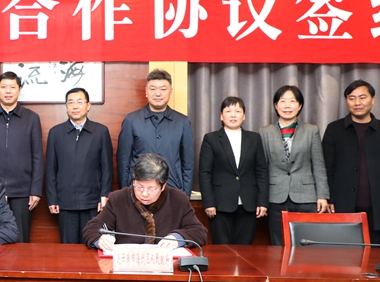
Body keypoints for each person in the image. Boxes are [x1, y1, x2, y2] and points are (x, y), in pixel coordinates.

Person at [322, 80, 380, 244]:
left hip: (377, 204)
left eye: (362, 97)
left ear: (372, 99)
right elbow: (326, 168)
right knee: (343, 254)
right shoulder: (334, 129)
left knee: (373, 253)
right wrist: (329, 197)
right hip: (343, 204)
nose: (357, 103)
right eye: (352, 98)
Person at [0, 71, 43, 242]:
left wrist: (35, 190)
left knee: (20, 239)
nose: (8, 91)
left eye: (12, 87)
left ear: (19, 90)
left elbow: (37, 156)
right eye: (4, 87)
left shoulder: (31, 118)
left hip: (22, 191)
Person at [82, 154, 207, 250]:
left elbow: (199, 231)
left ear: (163, 186)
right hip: (128, 265)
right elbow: (91, 228)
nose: (144, 193)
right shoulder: (118, 198)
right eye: (139, 187)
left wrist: (177, 238)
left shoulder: (178, 199)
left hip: (165, 265)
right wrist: (100, 239)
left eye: (151, 189)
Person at [259, 85, 329, 246]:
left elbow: (318, 164)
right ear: (276, 105)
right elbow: (262, 168)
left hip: (306, 196)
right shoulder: (265, 132)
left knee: (306, 244)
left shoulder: (311, 131)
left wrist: (323, 195)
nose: (287, 106)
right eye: (283, 101)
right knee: (278, 243)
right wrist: (261, 199)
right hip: (276, 195)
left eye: (292, 101)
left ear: (300, 105)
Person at [46, 87, 113, 244]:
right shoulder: (56, 133)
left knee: (91, 243)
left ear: (88, 105)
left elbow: (107, 168)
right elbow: (50, 169)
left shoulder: (101, 131)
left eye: (79, 102)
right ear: (66, 107)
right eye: (70, 102)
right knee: (68, 247)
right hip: (65, 202)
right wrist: (52, 198)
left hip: (92, 202)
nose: (75, 106)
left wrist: (104, 195)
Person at [199, 97, 269, 244]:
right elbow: (205, 173)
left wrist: (262, 202)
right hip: (220, 204)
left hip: (248, 203)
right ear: (221, 116)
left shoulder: (254, 138)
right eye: (228, 111)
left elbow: (261, 171)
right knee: (222, 249)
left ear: (244, 116)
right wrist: (208, 202)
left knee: (245, 249)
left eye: (237, 111)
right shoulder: (211, 139)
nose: (233, 115)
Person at [117, 68, 194, 195]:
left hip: (173, 190)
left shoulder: (182, 122)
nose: (158, 94)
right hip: (140, 191)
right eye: (153, 89)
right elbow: (123, 161)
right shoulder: (131, 120)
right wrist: (126, 192)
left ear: (170, 92)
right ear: (146, 92)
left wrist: (185, 194)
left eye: (163, 89)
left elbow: (188, 164)